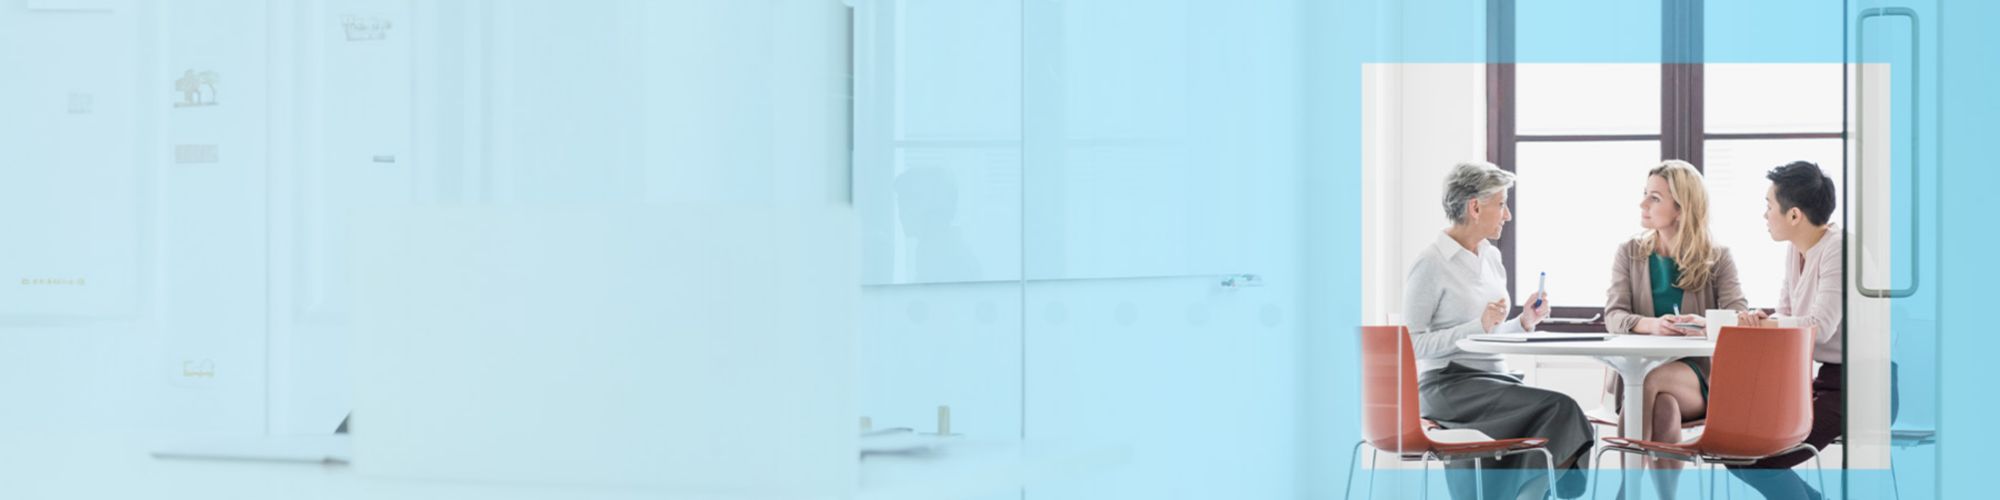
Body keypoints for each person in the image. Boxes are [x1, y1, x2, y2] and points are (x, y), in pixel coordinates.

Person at [1406, 161, 1592, 500]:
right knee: (1561, 409)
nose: (1507, 215)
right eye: (1502, 204)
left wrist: (1523, 323)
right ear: (1475, 207)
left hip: (1493, 381)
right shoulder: (1431, 263)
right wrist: (1477, 325)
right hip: (1449, 385)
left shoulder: (1491, 257)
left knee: (1556, 421)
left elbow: (1487, 334)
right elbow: (1412, 344)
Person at [1601, 160, 1748, 498]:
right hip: (1641, 375)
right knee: (1663, 404)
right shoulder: (1630, 253)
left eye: (1654, 198)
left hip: (1696, 378)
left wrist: (1703, 325)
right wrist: (1652, 325)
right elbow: (1614, 315)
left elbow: (1738, 315)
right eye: (1645, 194)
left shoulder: (1717, 258)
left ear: (1681, 208)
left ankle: (1627, 492)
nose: (1643, 204)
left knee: (1649, 380)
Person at [1726, 161, 1844, 500]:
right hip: (1826, 381)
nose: (1765, 215)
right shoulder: (1797, 250)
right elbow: (1788, 314)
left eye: (1768, 205)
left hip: (1860, 389)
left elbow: (1819, 328)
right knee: (1736, 451)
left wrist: (1769, 324)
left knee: (1757, 459)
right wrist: (1765, 319)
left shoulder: (1839, 248)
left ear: (1794, 215)